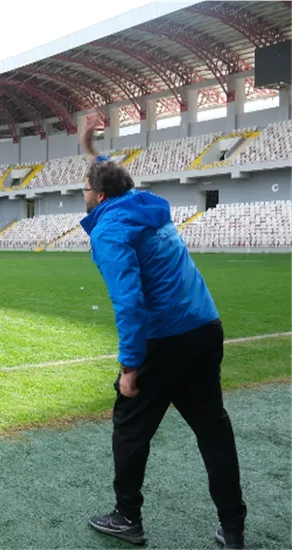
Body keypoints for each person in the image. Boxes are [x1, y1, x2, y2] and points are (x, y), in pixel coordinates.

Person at [79, 123, 246, 550]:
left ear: (97, 197)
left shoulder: (109, 231)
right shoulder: (142, 203)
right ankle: (233, 530)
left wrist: (130, 367)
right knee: (213, 429)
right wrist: (90, 149)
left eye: (85, 188)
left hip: (165, 340)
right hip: (205, 327)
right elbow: (110, 175)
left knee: (129, 429)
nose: (83, 193)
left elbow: (130, 302)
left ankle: (127, 517)